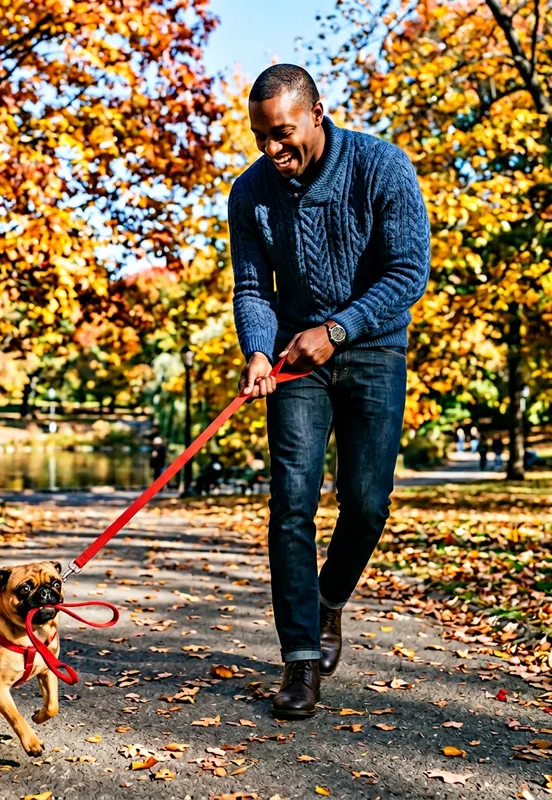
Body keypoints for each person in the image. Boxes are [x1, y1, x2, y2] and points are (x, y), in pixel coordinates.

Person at [228, 65, 430, 720]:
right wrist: (259, 350)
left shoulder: (381, 166)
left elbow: (408, 272)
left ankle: (329, 601)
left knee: (367, 503)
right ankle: (301, 658)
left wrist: (338, 330)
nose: (271, 149)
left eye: (282, 133)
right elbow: (253, 288)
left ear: (317, 113)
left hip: (373, 348)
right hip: (296, 360)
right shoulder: (250, 192)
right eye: (260, 136)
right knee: (291, 503)